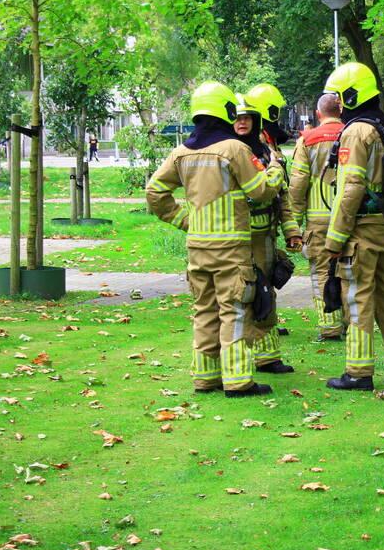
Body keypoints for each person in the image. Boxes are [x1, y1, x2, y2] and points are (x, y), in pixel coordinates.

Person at [146, 81, 286, 398]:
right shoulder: (235, 149)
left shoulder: (181, 153)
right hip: (232, 251)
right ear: (225, 110)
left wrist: (184, 221)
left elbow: (154, 193)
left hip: (197, 249)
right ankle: (238, 380)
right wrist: (275, 170)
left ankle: (205, 378)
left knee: (204, 312)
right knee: (234, 311)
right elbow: (259, 191)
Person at [322, 62, 384, 390]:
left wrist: (334, 240)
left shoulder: (356, 131)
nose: (338, 103)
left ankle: (358, 374)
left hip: (362, 232)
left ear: (351, 94)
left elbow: (350, 188)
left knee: (358, 298)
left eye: (340, 96)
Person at [235, 84, 302, 374]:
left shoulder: (265, 151)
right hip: (235, 239)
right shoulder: (228, 152)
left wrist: (292, 232)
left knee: (266, 294)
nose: (242, 122)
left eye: (247, 117)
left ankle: (268, 358)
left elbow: (282, 196)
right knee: (240, 296)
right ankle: (237, 360)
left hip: (264, 238)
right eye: (237, 118)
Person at [288, 93, 345, 342]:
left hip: (319, 221)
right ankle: (353, 323)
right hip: (352, 218)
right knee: (351, 272)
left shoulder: (307, 141)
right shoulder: (353, 134)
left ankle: (329, 326)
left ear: (318, 114)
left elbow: (298, 186)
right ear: (340, 112)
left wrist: (294, 224)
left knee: (322, 271)